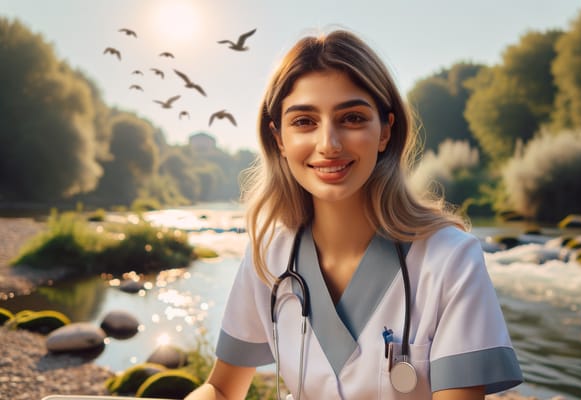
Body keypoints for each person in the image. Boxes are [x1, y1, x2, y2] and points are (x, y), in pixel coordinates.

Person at [186, 29, 523, 400]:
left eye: (352, 118)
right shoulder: (268, 255)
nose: (328, 144)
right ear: (279, 138)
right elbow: (220, 388)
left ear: (384, 131)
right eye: (303, 122)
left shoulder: (451, 259)